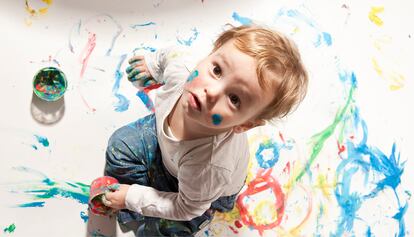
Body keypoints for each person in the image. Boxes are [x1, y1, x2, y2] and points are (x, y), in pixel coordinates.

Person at [102, 24, 308, 236]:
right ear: (207, 56)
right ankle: (140, 202)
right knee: (120, 145)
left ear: (244, 125)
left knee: (166, 231)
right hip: (166, 152)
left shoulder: (211, 166)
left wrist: (133, 198)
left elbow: (187, 207)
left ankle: (159, 208)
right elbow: (171, 54)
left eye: (234, 99)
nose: (211, 91)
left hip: (204, 192)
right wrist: (153, 66)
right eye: (217, 70)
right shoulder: (183, 69)